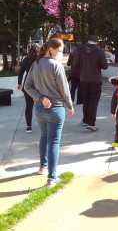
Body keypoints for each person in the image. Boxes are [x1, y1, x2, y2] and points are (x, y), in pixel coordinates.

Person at [24, 38, 74, 188]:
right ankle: (52, 178)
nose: (61, 53)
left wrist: (40, 97)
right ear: (51, 49)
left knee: (44, 137)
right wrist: (70, 105)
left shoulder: (36, 63)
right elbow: (65, 90)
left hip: (39, 108)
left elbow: (27, 86)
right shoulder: (56, 66)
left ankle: (42, 167)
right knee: (53, 142)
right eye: (59, 51)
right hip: (55, 108)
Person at [73, 35, 108, 131]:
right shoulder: (100, 51)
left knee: (86, 100)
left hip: (84, 79)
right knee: (94, 101)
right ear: (96, 42)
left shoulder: (80, 50)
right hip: (96, 80)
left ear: (88, 41)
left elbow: (75, 64)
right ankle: (91, 123)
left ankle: (85, 120)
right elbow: (105, 66)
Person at [17, 44, 40, 133]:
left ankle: (28, 126)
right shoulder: (40, 60)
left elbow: (21, 72)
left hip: (27, 84)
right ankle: (44, 123)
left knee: (29, 105)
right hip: (39, 84)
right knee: (42, 104)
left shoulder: (26, 59)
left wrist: (19, 83)